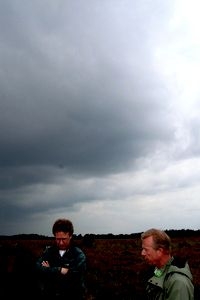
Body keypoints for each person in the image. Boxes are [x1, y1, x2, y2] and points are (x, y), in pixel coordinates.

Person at [36, 218, 86, 299]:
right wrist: (59, 270)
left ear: (70, 236)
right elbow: (38, 268)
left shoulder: (79, 255)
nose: (61, 242)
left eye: (64, 239)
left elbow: (73, 277)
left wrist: (49, 271)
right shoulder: (49, 252)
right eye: (58, 239)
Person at [141, 228, 194, 300]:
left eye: (146, 250)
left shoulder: (178, 283)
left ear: (159, 251)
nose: (142, 253)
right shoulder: (158, 270)